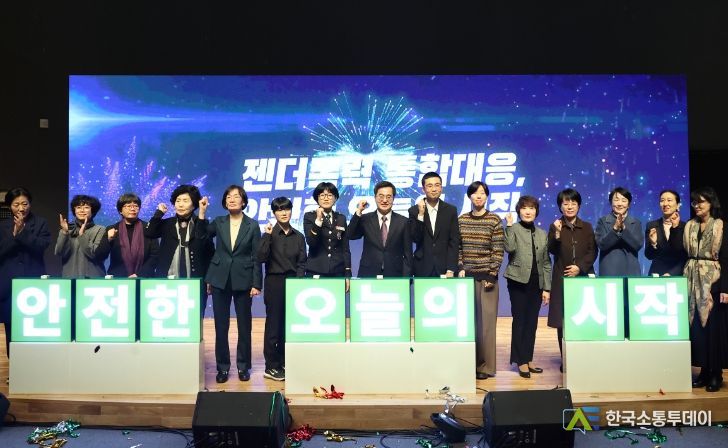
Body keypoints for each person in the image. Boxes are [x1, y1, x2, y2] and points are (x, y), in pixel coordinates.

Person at [203, 185, 262, 383]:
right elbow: (202, 236)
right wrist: (202, 212)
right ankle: (222, 367)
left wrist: (256, 283)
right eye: (228, 196)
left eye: (236, 196)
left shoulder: (252, 225)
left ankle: (243, 366)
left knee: (244, 326)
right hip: (219, 279)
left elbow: (256, 256)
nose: (232, 199)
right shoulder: (218, 222)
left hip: (243, 279)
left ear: (243, 201)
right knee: (221, 326)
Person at [683, 187, 728, 392]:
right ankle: (703, 371)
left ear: (711, 203)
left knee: (713, 330)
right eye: (694, 202)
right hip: (692, 281)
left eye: (701, 201)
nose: (697, 206)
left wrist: (725, 287)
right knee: (698, 330)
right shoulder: (690, 226)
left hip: (714, 282)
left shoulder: (720, 226)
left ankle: (716, 373)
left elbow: (725, 258)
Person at [457, 181, 504, 380]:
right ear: (469, 196)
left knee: (486, 326)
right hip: (466, 279)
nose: (478, 196)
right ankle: (469, 364)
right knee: (469, 325)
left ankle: (485, 367)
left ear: (487, 196)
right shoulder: (461, 220)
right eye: (475, 193)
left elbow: (498, 249)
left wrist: (492, 274)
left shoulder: (494, 220)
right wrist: (460, 267)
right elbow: (458, 248)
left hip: (487, 280)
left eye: (482, 193)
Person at [257, 197, 306, 382]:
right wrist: (267, 236)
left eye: (286, 209)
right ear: (274, 213)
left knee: (289, 325)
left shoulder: (299, 236)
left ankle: (284, 361)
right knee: (274, 324)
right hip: (275, 281)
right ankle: (271, 366)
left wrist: (298, 283)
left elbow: (302, 262)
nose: (283, 213)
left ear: (291, 211)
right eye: (279, 210)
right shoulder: (269, 233)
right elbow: (261, 257)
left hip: (293, 282)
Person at [144, 184, 214, 315]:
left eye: (185, 201)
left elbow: (205, 246)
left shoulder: (202, 223)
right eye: (178, 201)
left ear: (194, 204)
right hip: (167, 279)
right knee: (168, 315)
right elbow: (149, 232)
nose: (180, 205)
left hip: (195, 279)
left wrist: (202, 214)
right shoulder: (167, 223)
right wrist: (159, 213)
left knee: (194, 315)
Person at [503, 196, 551, 378]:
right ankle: (520, 360)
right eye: (524, 208)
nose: (528, 211)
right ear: (519, 211)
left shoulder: (542, 233)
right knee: (520, 320)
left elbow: (546, 262)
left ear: (536, 212)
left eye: (531, 208)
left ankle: (528, 358)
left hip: (536, 283)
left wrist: (547, 288)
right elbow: (509, 248)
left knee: (532, 322)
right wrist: (508, 226)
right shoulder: (514, 228)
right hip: (517, 281)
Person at [548, 188, 597, 364]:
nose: (569, 207)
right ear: (560, 206)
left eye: (573, 203)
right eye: (566, 203)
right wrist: (557, 234)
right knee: (563, 320)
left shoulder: (587, 227)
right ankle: (566, 360)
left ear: (579, 206)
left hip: (583, 278)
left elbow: (592, 252)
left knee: (584, 317)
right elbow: (551, 250)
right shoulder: (555, 226)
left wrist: (580, 268)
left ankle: (584, 358)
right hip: (562, 278)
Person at [0, 187, 51, 356]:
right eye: (16, 205)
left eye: (25, 204)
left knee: (35, 327)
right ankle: (15, 366)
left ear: (30, 204)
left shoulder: (41, 223)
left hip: (33, 283)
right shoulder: (2, 225)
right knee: (11, 328)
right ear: (9, 206)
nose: (21, 208)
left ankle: (34, 365)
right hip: (8, 285)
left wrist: (22, 232)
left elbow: (41, 246)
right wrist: (14, 235)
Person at [347, 180, 412, 277]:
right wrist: (358, 211)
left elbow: (408, 253)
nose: (385, 200)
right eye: (381, 196)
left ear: (393, 198)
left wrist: (406, 278)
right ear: (375, 197)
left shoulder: (403, 221)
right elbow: (351, 235)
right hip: (368, 272)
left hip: (395, 274)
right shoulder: (365, 219)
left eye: (389, 197)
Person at [409, 172, 460, 277]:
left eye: (437, 185)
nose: (434, 189)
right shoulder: (414, 211)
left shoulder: (451, 210)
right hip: (422, 266)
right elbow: (416, 238)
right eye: (429, 186)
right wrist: (421, 215)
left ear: (441, 188)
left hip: (444, 268)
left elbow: (454, 241)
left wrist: (451, 269)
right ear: (423, 189)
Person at [98, 193, 159, 278]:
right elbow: (100, 255)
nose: (132, 209)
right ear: (120, 211)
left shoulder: (148, 228)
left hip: (144, 277)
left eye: (136, 206)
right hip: (118, 278)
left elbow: (155, 255)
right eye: (128, 206)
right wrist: (108, 239)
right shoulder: (111, 229)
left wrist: (139, 274)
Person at [303, 182, 351, 280]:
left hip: (337, 270)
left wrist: (347, 270)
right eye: (322, 195)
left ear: (335, 198)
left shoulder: (341, 218)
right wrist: (318, 221)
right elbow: (311, 242)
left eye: (329, 195)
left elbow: (345, 247)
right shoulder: (309, 216)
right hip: (316, 270)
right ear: (317, 198)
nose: (326, 198)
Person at [595, 187, 643, 276]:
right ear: (611, 202)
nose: (620, 204)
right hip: (609, 270)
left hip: (631, 270)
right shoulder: (603, 221)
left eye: (624, 200)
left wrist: (624, 229)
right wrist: (615, 230)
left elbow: (637, 245)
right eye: (616, 200)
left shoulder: (636, 222)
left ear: (628, 204)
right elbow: (601, 245)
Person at [55, 194, 106, 278]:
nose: (82, 210)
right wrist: (64, 232)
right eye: (78, 207)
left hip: (93, 279)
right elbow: (59, 252)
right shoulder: (67, 229)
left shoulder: (100, 229)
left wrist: (82, 235)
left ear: (93, 211)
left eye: (86, 207)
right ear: (74, 210)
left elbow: (94, 254)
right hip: (70, 278)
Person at [645, 189, 687, 276]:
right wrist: (653, 244)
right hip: (656, 274)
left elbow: (685, 256)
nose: (665, 204)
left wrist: (672, 273)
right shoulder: (652, 225)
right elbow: (649, 256)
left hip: (677, 275)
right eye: (662, 200)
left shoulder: (686, 226)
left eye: (669, 200)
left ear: (678, 205)